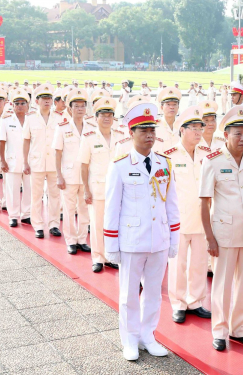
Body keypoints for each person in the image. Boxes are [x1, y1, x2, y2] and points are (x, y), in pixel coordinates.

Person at [104, 102, 180, 361]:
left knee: (154, 293)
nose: (149, 135)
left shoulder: (165, 164)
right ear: (131, 133)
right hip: (132, 240)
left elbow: (172, 205)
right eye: (143, 130)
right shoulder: (120, 165)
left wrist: (173, 239)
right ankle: (130, 340)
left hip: (158, 239)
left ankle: (148, 335)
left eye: (152, 130)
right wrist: (111, 245)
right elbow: (112, 208)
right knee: (128, 295)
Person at [199, 105, 243, 352]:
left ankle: (239, 329)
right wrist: (209, 238)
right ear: (225, 135)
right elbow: (204, 202)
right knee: (222, 285)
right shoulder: (213, 161)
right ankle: (220, 330)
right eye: (237, 134)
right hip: (223, 234)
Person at [165, 106, 212, 324]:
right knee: (178, 264)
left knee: (200, 263)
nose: (198, 132)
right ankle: (178, 303)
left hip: (203, 218)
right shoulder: (170, 156)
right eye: (193, 128)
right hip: (179, 219)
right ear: (182, 130)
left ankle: (196, 301)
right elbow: (164, 191)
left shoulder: (207, 155)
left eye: (200, 127)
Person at [80, 96, 125, 268]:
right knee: (98, 224)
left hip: (117, 189)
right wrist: (85, 189)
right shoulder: (89, 137)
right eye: (103, 115)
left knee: (114, 224)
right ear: (96, 117)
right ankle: (98, 258)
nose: (107, 118)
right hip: (97, 188)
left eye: (110, 115)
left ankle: (110, 256)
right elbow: (83, 165)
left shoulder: (121, 137)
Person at [53, 88, 92, 255]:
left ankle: (82, 239)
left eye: (83, 106)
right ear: (70, 109)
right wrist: (59, 175)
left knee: (84, 209)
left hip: (87, 176)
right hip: (68, 175)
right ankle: (70, 240)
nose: (80, 109)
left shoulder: (91, 127)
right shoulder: (62, 127)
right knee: (69, 209)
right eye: (76, 106)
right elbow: (58, 152)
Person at [22, 84, 62, 239]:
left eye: (49, 98)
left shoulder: (59, 118)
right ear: (37, 101)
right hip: (37, 162)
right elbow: (26, 141)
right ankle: (38, 225)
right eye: (43, 98)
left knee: (54, 195)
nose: (47, 101)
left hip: (53, 162)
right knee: (36, 195)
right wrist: (25, 162)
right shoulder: (30, 118)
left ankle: (54, 224)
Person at [0, 89, 32, 227]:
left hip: (30, 160)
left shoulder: (33, 120)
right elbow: (1, 141)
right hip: (12, 160)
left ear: (27, 105)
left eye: (22, 103)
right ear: (12, 105)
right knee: (12, 189)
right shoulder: (6, 120)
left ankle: (26, 215)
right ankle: (13, 216)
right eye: (17, 103)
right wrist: (2, 160)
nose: (20, 106)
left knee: (29, 189)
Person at [154, 87, 182, 152]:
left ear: (178, 107)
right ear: (161, 107)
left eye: (174, 104)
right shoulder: (155, 127)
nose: (171, 107)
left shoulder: (183, 126)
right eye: (168, 104)